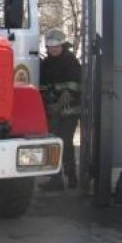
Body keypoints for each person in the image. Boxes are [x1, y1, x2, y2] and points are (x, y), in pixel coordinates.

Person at [39, 29, 82, 191]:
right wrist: (47, 102)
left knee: (65, 142)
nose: (53, 49)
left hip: (69, 111)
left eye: (56, 46)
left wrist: (59, 103)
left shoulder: (70, 61)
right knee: (52, 144)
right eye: (50, 47)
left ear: (63, 46)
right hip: (52, 111)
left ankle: (71, 177)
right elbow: (42, 87)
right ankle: (55, 179)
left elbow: (74, 86)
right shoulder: (45, 64)